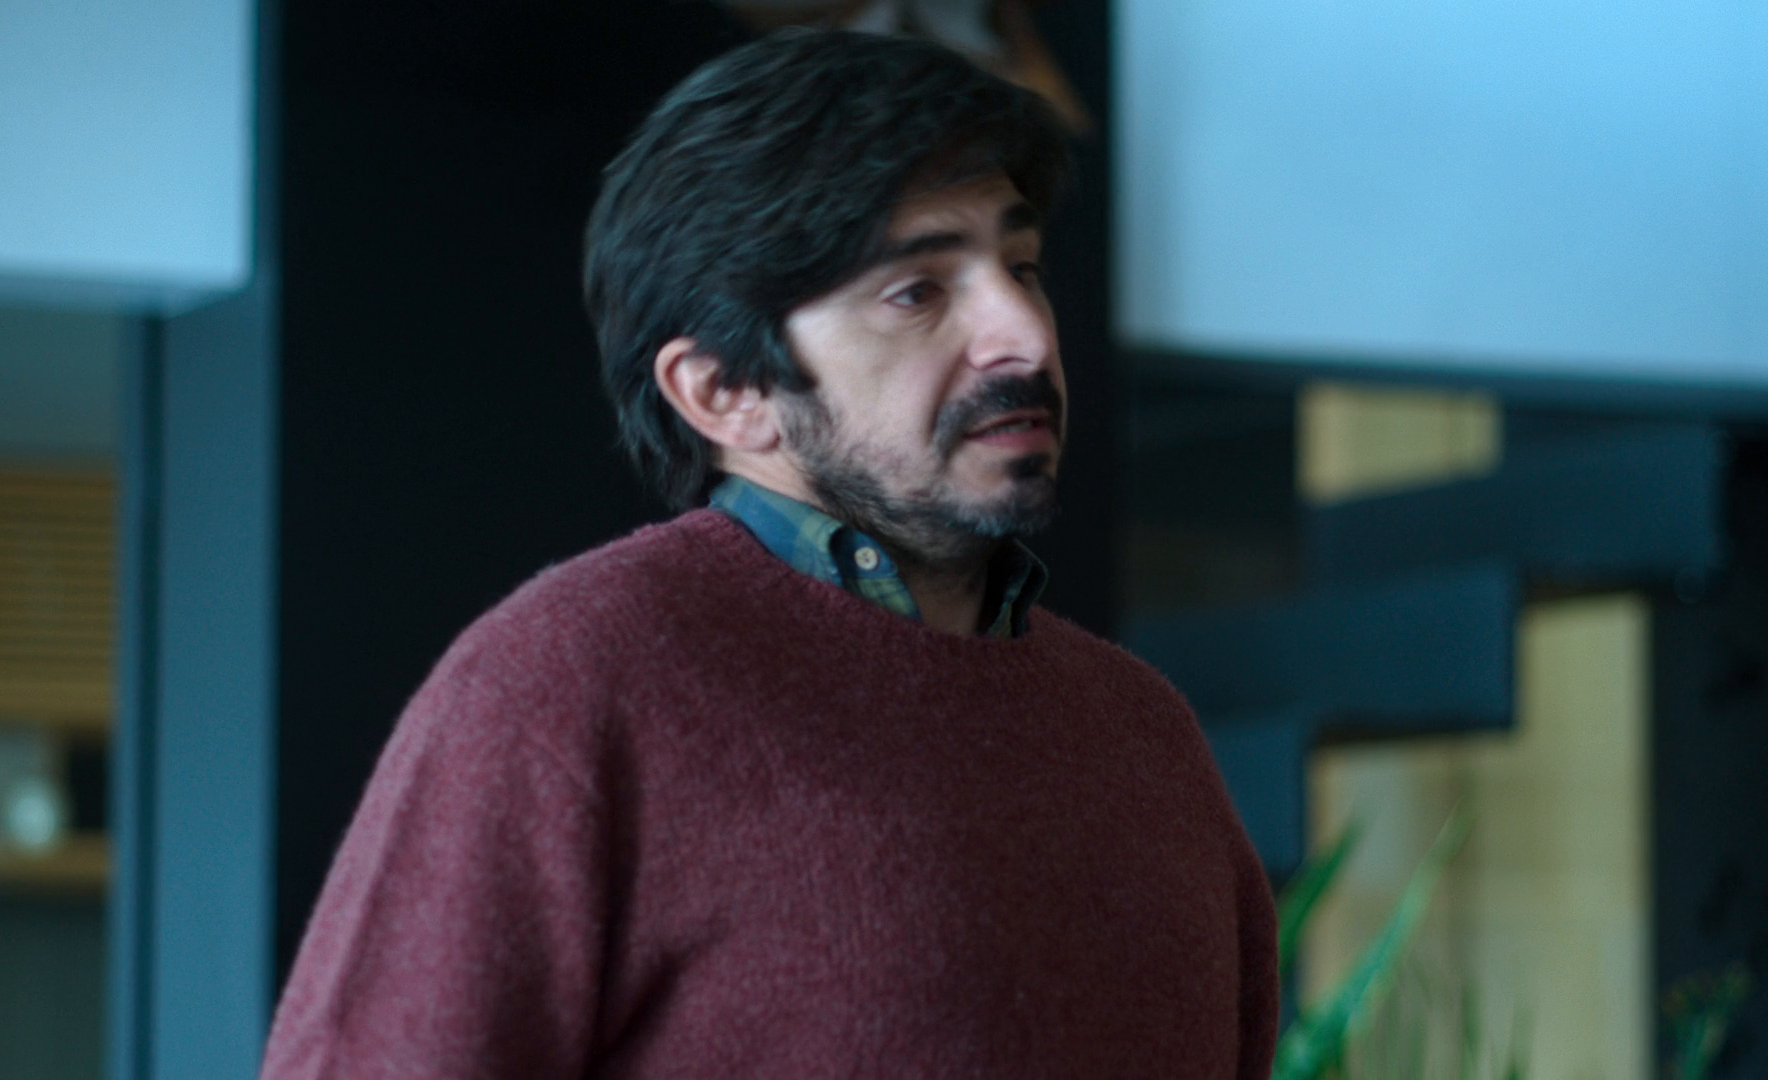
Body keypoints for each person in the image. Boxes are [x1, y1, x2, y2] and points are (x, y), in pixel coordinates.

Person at [261, 28, 1276, 1079]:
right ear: (724, 392)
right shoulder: (567, 681)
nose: (1023, 333)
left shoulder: (1141, 731)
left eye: (1022, 267)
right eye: (916, 291)